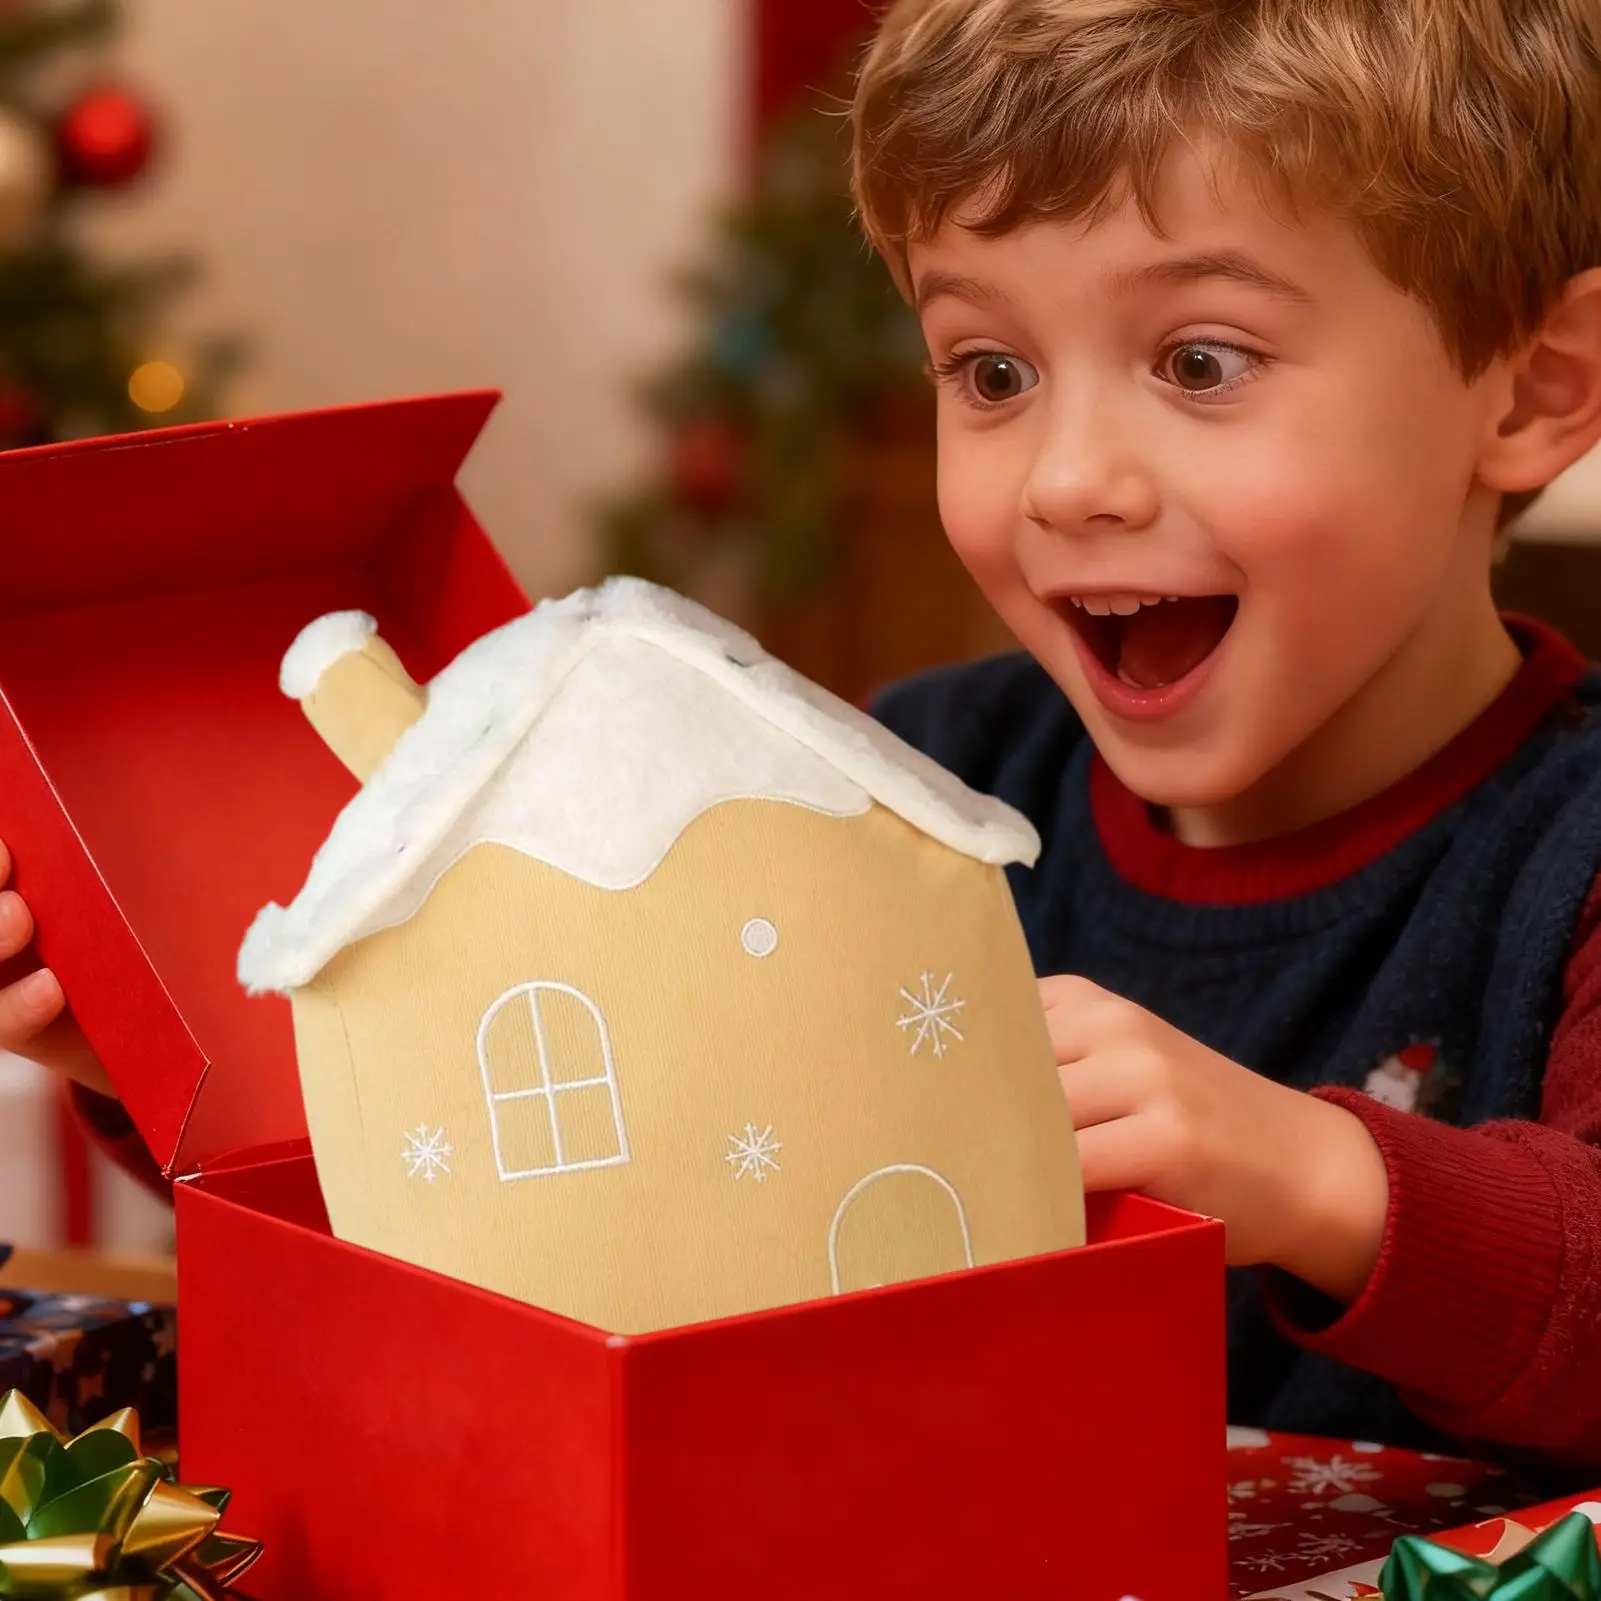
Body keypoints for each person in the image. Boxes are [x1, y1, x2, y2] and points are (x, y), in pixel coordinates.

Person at [853, 0, 1601, 1469]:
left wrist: (1311, 1175)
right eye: (991, 373)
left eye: (1200, 362)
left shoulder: (1572, 859)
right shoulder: (909, 791)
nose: (1069, 482)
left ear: (1532, 388)